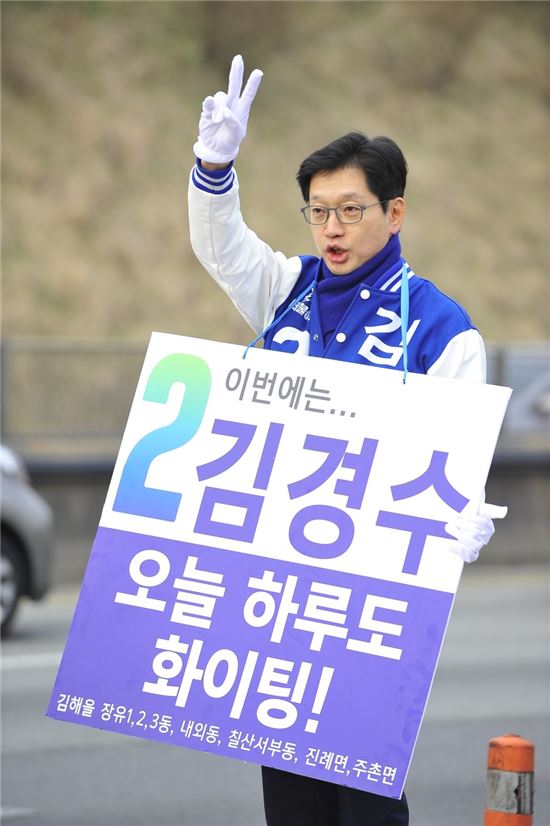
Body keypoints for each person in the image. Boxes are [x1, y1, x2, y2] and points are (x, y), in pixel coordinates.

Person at [188, 55, 506, 826]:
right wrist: (213, 168)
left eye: (351, 210)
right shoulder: (285, 291)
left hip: (369, 598)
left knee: (363, 792)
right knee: (290, 797)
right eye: (318, 211)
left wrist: (458, 517)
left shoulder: (441, 330)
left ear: (395, 214)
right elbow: (222, 248)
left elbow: (457, 466)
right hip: (275, 587)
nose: (331, 228)